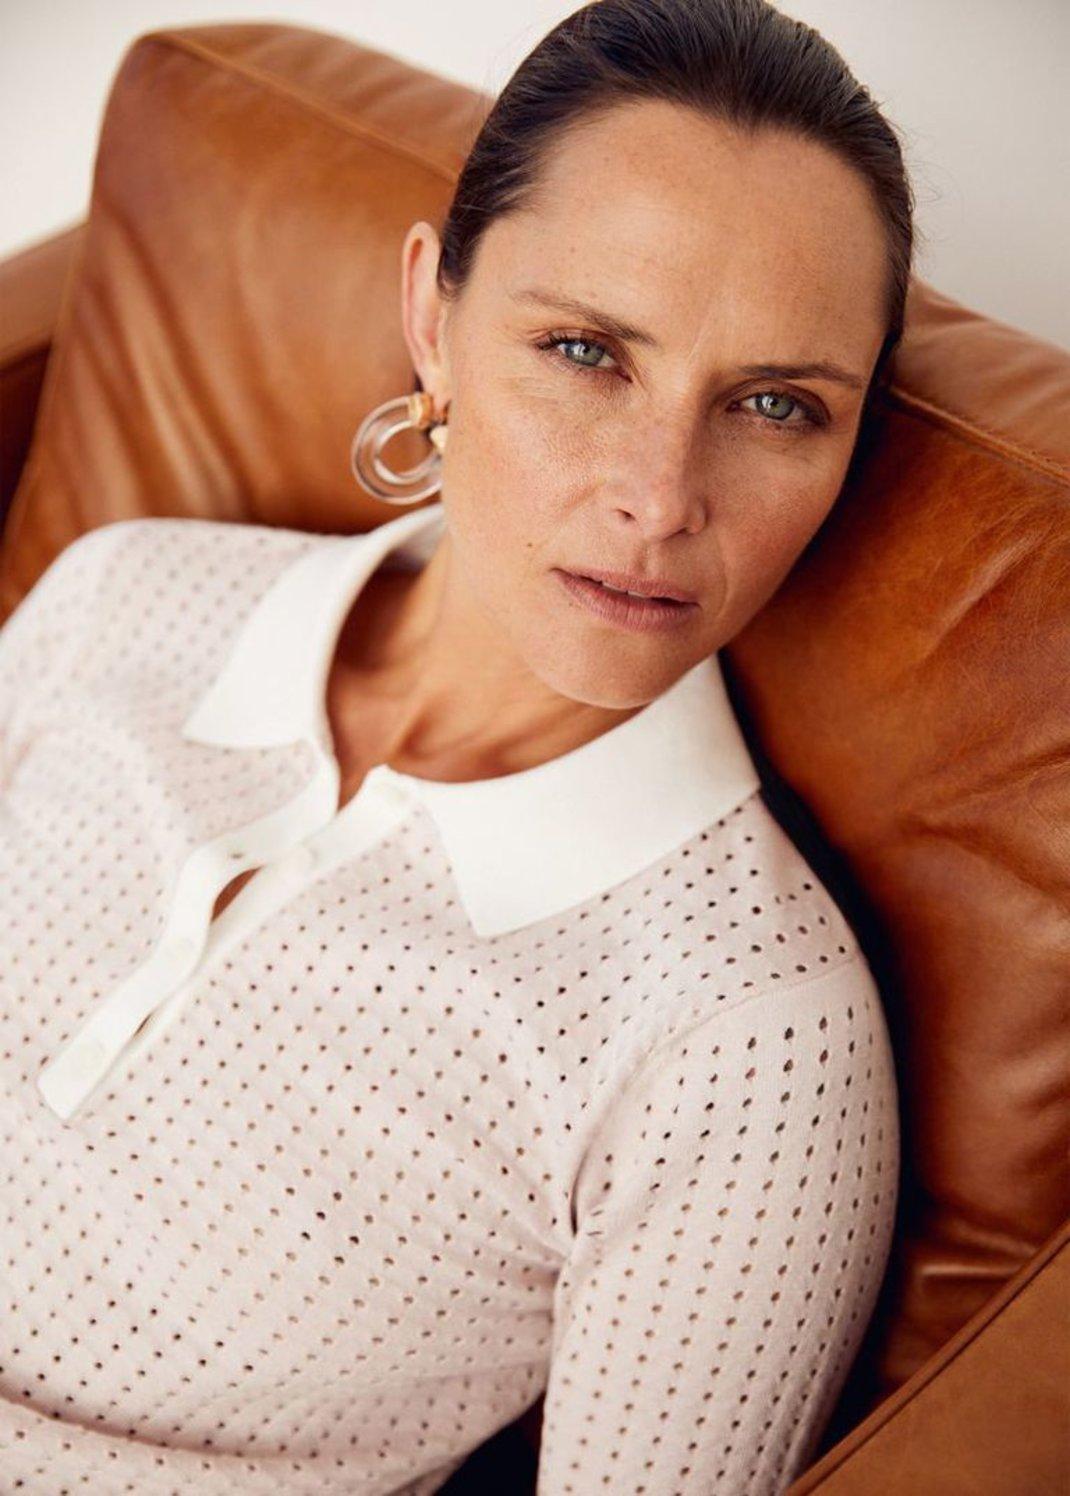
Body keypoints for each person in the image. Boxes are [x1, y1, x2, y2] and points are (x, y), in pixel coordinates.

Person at [0, 0, 910, 1490]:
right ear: (433, 317)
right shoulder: (128, 593)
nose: (659, 497)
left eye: (773, 405)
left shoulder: (746, 1039)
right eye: (585, 350)